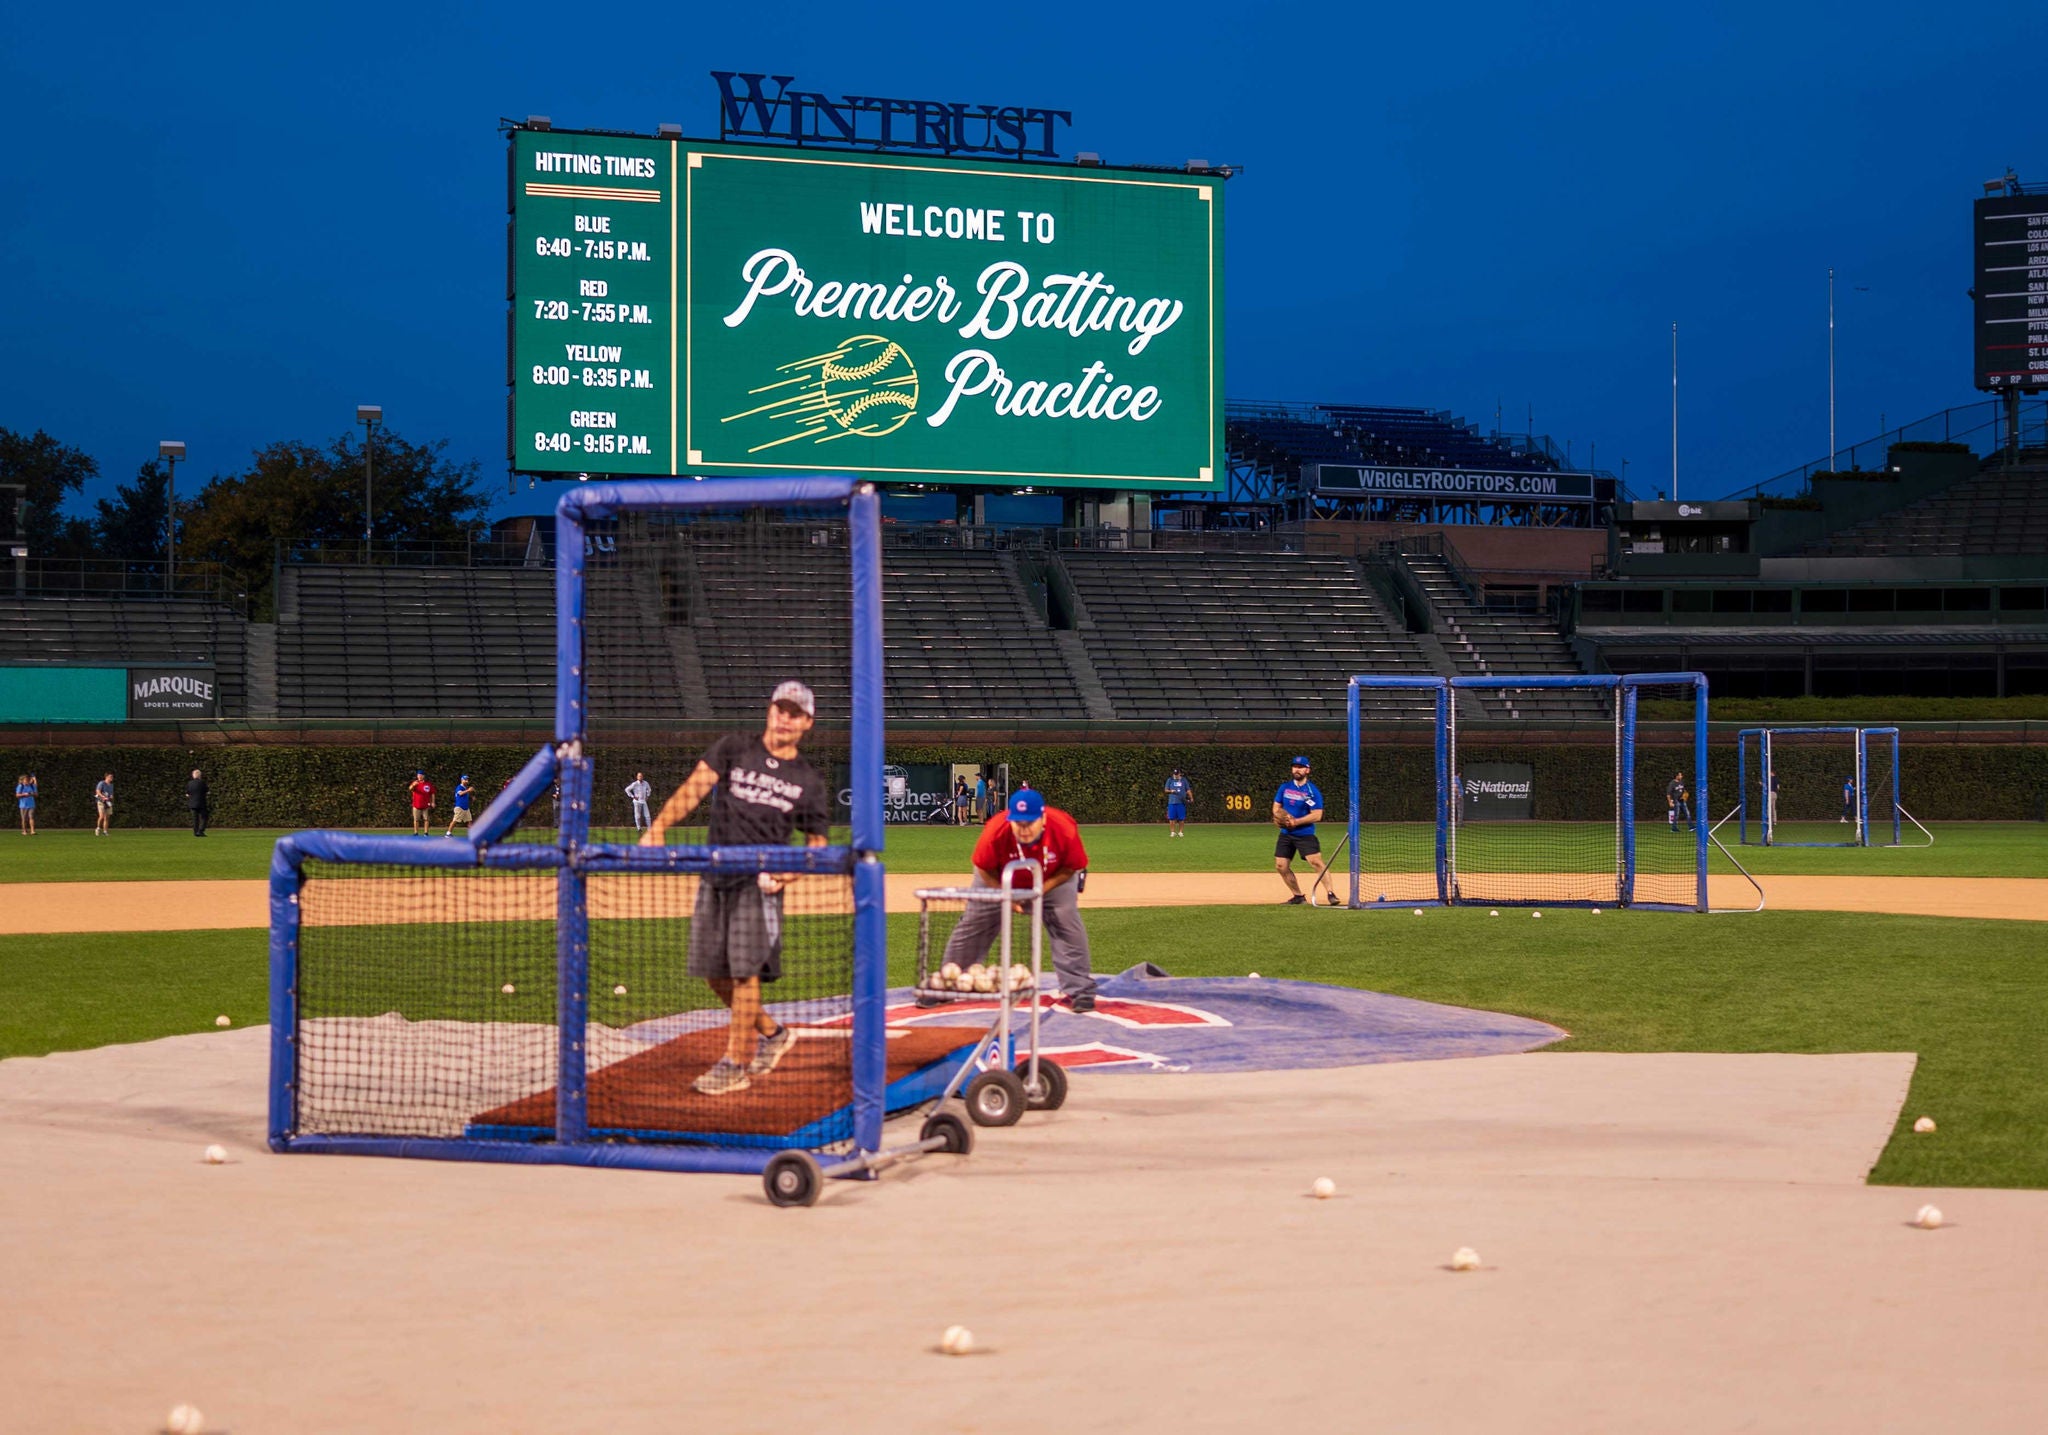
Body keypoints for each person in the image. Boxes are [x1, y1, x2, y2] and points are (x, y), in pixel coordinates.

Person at [640, 681, 831, 1097]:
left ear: (807, 724)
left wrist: (789, 875)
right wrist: (657, 829)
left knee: (745, 973)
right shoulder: (734, 747)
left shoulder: (807, 780)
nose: (784, 718)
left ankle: (735, 1062)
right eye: (780, 708)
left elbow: (817, 847)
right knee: (713, 972)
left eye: (794, 713)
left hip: (759, 885)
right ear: (769, 710)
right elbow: (695, 786)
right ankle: (774, 1033)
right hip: (716, 874)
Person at [944, 788, 1096, 1011]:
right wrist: (1004, 895)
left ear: (1042, 818)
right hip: (997, 878)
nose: (1023, 829)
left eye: (1029, 823)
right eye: (1018, 823)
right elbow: (983, 869)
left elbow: (1071, 868)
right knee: (975, 921)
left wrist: (1040, 891)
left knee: (1065, 920)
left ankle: (1080, 990)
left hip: (1053, 879)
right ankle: (947, 983)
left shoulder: (1063, 829)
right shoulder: (996, 830)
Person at [1273, 756, 1330, 905]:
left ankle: (1331, 893)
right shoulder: (1284, 788)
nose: (1297, 769)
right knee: (1281, 865)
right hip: (1286, 834)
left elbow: (1317, 815)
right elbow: (1276, 807)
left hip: (1305, 834)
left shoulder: (1312, 792)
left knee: (1316, 862)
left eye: (1300, 766)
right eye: (1294, 766)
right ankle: (1298, 896)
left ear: (1307, 770)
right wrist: (1281, 818)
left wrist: (1295, 822)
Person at [1163, 767, 1193, 838]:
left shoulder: (1184, 780)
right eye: (1174, 774)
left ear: (1180, 774)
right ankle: (1172, 832)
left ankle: (1180, 832)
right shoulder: (1170, 780)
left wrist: (1191, 797)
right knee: (1171, 818)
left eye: (1177, 774)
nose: (1175, 775)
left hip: (1181, 802)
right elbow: (1166, 790)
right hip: (1172, 802)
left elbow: (1188, 790)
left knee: (1181, 818)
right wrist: (1171, 791)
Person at [408, 770, 436, 835]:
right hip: (416, 805)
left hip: (425, 805)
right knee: (416, 820)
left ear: (423, 776)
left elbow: (432, 793)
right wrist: (413, 785)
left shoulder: (428, 784)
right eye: (418, 775)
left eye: (421, 775)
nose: (419, 776)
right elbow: (410, 789)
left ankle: (426, 833)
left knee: (426, 819)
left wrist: (433, 802)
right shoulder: (415, 783)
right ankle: (416, 832)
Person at [186, 768, 210, 837]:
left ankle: (195, 832)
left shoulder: (189, 783)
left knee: (195, 819)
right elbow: (207, 792)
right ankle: (201, 830)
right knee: (204, 817)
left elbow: (187, 794)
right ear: (200, 776)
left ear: (193, 775)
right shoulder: (202, 783)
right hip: (201, 803)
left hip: (192, 803)